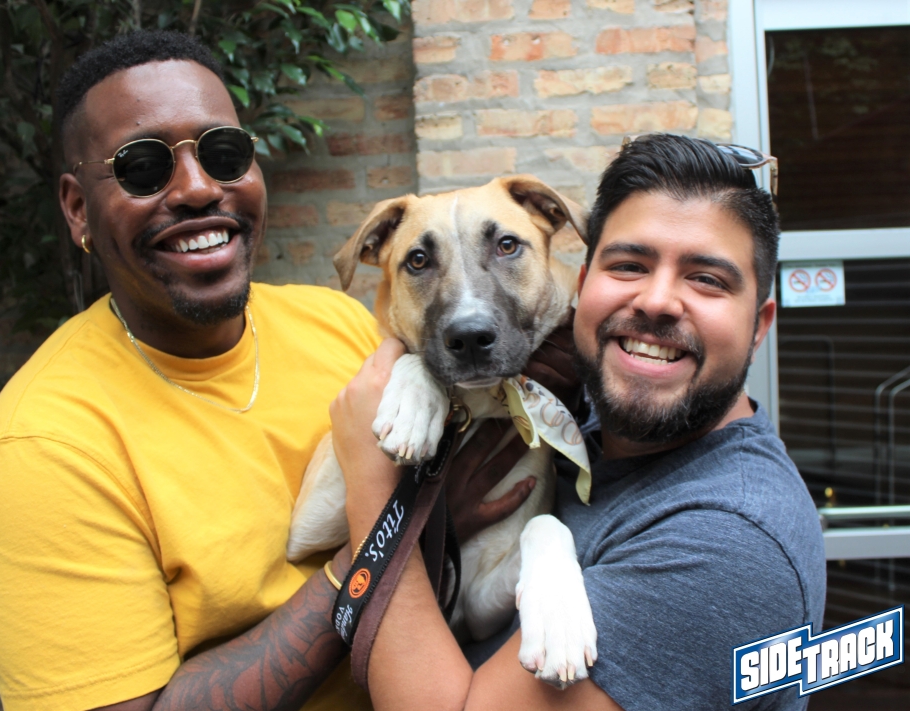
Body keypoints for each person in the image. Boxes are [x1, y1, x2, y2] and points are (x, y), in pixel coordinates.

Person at [0, 30, 535, 711]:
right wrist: (392, 535)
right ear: (78, 207)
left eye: (223, 154)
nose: (198, 188)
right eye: (143, 167)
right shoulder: (43, 447)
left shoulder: (340, 323)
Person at [329, 133, 827, 710]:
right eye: (629, 265)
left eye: (707, 278)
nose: (657, 301)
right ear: (583, 282)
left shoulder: (727, 547)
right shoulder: (578, 420)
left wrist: (376, 488)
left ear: (759, 326)